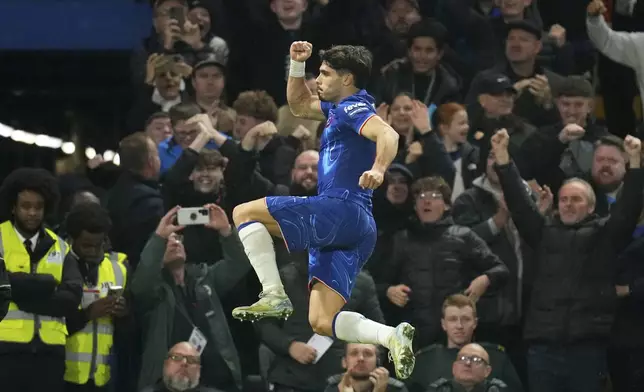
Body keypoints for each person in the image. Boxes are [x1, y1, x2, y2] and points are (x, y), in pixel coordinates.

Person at [229, 41, 415, 379]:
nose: (318, 79)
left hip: (339, 210)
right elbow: (298, 104)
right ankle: (391, 336)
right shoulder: (336, 109)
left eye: (325, 73)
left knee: (243, 213)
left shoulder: (352, 108)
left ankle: (273, 295)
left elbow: (388, 133)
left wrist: (380, 169)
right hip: (358, 228)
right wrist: (297, 66)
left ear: (346, 79)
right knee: (321, 321)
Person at [0, 168, 83, 392]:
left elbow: (72, 297)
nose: (33, 213)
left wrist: (22, 296)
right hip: (6, 352)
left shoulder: (61, 246)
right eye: (26, 206)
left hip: (50, 355)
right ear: (13, 207)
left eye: (38, 207)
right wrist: (48, 283)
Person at [63, 202, 129, 392]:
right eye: (86, 245)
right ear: (71, 239)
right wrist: (87, 314)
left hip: (103, 377)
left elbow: (129, 330)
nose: (92, 251)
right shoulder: (56, 266)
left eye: (98, 245)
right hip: (63, 375)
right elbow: (47, 325)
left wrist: (123, 313)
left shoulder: (119, 269)